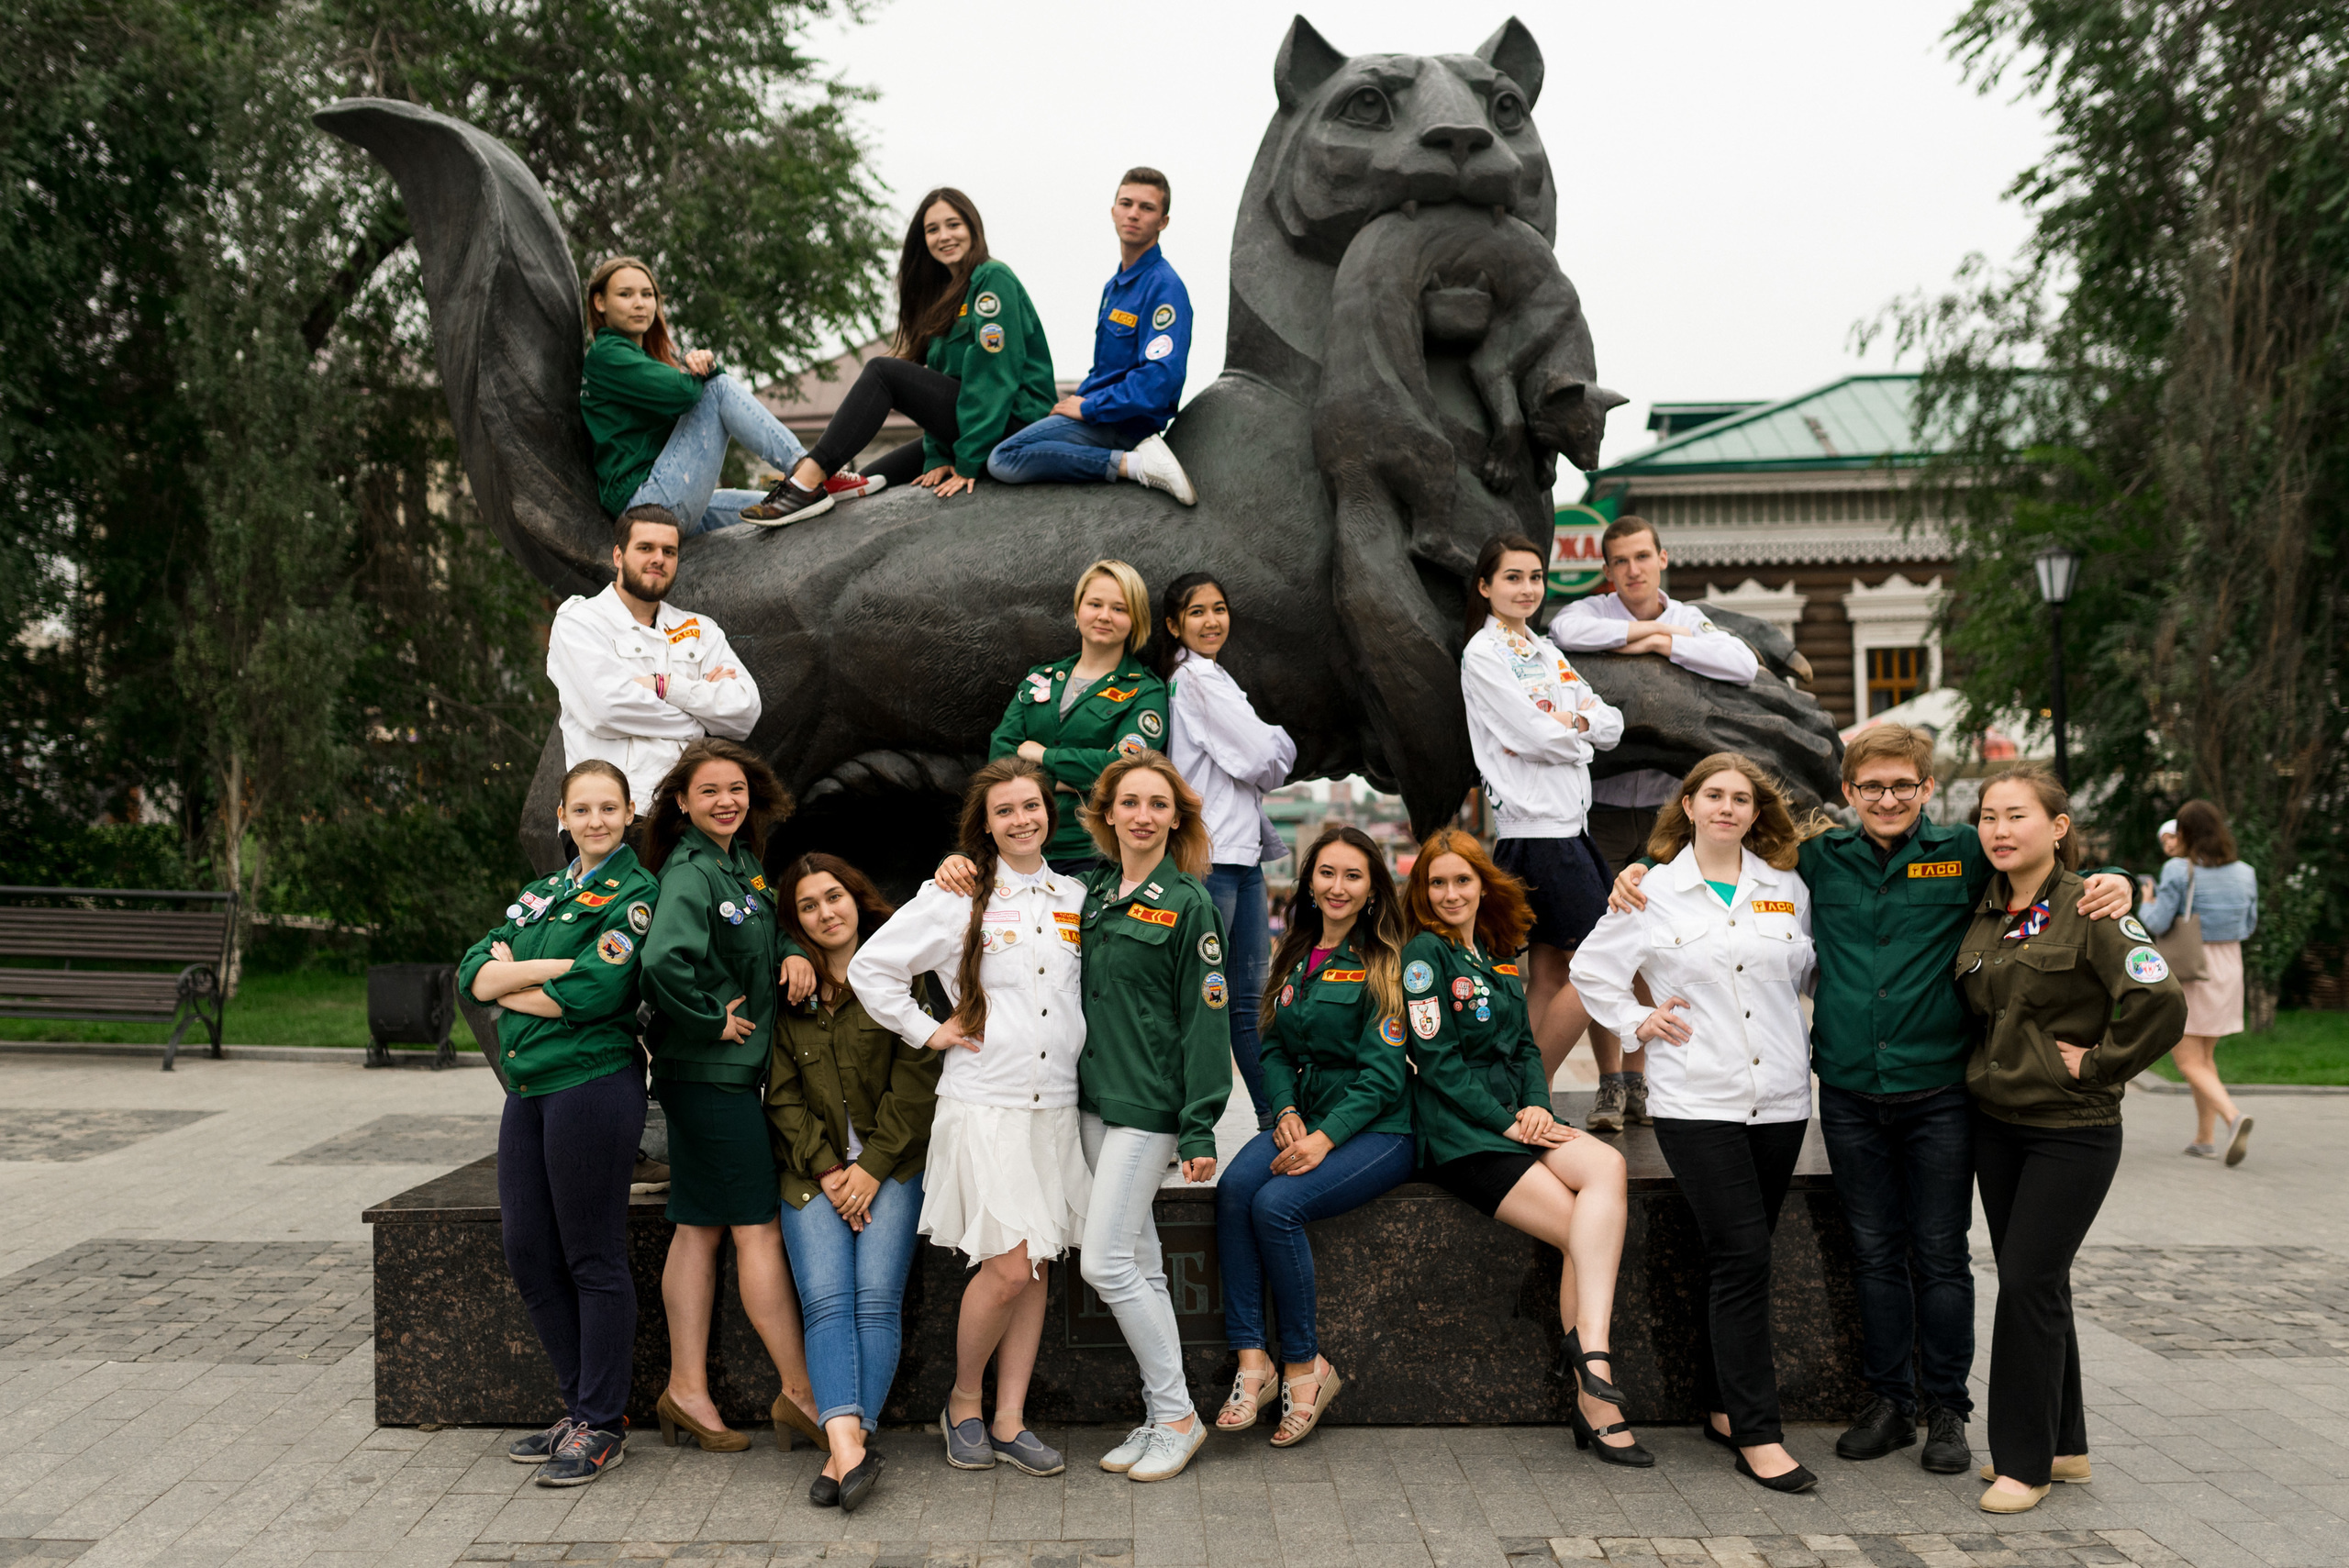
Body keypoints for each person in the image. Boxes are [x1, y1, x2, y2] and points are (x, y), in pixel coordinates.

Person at [1607, 725, 2136, 1477]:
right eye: (1871, 787)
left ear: (1924, 790)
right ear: (1849, 794)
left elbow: (2039, 866)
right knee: (1876, 1254)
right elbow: (1722, 862)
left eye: (1903, 786)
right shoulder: (1816, 861)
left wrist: (2117, 878)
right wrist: (1638, 868)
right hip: (1850, 1091)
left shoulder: (1962, 852)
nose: (1888, 799)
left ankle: (1948, 1407)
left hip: (1940, 1091)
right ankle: (1891, 1400)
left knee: (1941, 1254)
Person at [1572, 755, 1826, 1490]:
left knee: (1738, 1254)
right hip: (1698, 1101)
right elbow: (1593, 971)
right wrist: (1638, 1022)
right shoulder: (1651, 889)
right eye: (1713, 794)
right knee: (1745, 1253)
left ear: (1755, 812)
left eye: (1741, 798)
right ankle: (1758, 1432)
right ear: (1687, 804)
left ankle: (1720, 1404)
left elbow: (1808, 974)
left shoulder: (1786, 888)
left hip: (1779, 1098)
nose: (1727, 807)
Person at [851, 758, 1088, 1481]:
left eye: (1031, 806)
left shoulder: (1075, 895)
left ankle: (1010, 1417)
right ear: (984, 825)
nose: (1022, 819)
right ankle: (962, 1401)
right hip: (987, 1101)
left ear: (1050, 812)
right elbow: (871, 968)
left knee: (1037, 1261)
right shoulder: (957, 894)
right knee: (1009, 1267)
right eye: (1005, 810)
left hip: (1055, 1106)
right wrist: (930, 1030)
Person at [1961, 764, 2186, 1515]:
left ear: (2057, 827)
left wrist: (2101, 1062)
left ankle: (2022, 1465)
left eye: (2016, 815)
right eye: (1988, 815)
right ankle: (2066, 1444)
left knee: (2023, 1282)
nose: (1998, 828)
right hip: (1998, 1127)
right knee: (2041, 1283)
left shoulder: (2093, 905)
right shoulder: (1987, 907)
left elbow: (2158, 998)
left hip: (2071, 1130)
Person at [1401, 828, 1644, 1465]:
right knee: (1580, 1233)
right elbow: (1437, 1061)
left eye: (1462, 879)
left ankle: (1589, 1353)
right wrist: (1508, 1122)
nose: (1451, 892)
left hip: (1515, 1120)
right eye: (1438, 882)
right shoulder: (1424, 956)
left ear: (1484, 882)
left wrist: (1537, 1103)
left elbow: (1524, 1049)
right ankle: (1597, 1399)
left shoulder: (1495, 950)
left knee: (1608, 1164)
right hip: (1463, 1134)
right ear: (1423, 892)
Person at [458, 759, 661, 1487]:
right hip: (531, 1089)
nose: (597, 819)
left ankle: (603, 1422)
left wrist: (517, 980)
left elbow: (600, 989)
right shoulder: (544, 892)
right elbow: (471, 972)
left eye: (610, 807)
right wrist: (547, 971)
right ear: (562, 816)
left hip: (591, 1084)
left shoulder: (636, 892)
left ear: (630, 812)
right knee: (528, 1249)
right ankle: (579, 1405)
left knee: (591, 1255)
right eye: (584, 808)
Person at [637, 738, 824, 1455]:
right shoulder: (690, 871)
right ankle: (801, 1392)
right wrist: (712, 1015)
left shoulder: (740, 864)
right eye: (709, 790)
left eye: (737, 789)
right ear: (681, 801)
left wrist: (795, 952)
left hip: (714, 1080)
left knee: (699, 1226)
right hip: (709, 1077)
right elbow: (662, 961)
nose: (726, 801)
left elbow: (760, 936)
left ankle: (687, 1389)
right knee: (757, 1228)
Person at [1549, 517, 1761, 1131]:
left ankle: (1641, 1082)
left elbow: (1741, 662)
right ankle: (1612, 1080)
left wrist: (1661, 641)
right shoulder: (1590, 613)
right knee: (1604, 943)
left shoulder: (1689, 619)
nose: (1633, 569)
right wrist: (1645, 632)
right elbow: (1567, 629)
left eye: (1643, 557)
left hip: (1671, 810)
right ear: (1608, 570)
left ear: (1662, 558)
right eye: (1620, 561)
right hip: (1607, 809)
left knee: (1652, 948)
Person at [1212, 825, 1413, 1448]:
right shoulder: (1295, 950)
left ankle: (1305, 1365)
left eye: (1353, 875)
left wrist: (1323, 1137)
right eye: (1326, 873)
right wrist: (1284, 1109)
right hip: (1304, 1115)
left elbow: (1383, 1078)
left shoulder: (1384, 959)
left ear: (1373, 887)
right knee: (1234, 1189)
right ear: (1308, 882)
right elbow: (1271, 1044)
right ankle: (1254, 1363)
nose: (1338, 886)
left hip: (1377, 1127)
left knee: (1277, 1205)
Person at [1074, 751, 1231, 1484]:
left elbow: (1206, 1025)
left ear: (1176, 817)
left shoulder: (1190, 903)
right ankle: (1161, 1410)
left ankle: (1176, 1416)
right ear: (1108, 813)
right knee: (1140, 1264)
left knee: (1103, 1260)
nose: (1142, 815)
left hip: (1148, 1110)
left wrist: (1200, 1125)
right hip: (1094, 1102)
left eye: (1157, 804)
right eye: (1129, 802)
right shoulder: (1096, 892)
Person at [767, 853, 941, 1514]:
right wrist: (831, 1169)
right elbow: (781, 1096)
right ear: (797, 921)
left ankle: (845, 1447)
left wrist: (869, 1169)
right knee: (827, 1300)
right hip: (812, 1175)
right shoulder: (790, 990)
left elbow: (918, 1080)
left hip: (893, 1166)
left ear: (858, 898)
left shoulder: (902, 973)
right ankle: (852, 1448)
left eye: (833, 896)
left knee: (874, 1298)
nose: (825, 912)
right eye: (808, 905)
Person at [740, 189, 1053, 524]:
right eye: (933, 230)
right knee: (870, 481)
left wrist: (968, 461)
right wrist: (936, 455)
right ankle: (821, 486)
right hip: (972, 423)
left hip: (1015, 425)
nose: (944, 236)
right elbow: (944, 392)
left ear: (973, 229)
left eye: (953, 225)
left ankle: (806, 480)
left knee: (883, 372)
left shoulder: (992, 279)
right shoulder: (945, 296)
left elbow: (993, 381)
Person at [1460, 532, 1623, 1105]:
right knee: (1602, 963)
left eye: (1535, 577)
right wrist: (1579, 731)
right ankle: (1527, 1093)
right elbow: (1531, 736)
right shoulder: (1483, 655)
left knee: (1552, 973)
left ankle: (1537, 1094)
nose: (1527, 588)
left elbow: (1612, 722)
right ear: (1485, 587)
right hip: (1537, 833)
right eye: (1512, 577)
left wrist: (1575, 729)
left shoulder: (1548, 651)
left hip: (1571, 830)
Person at [1157, 572, 1295, 1126]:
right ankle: (1189, 1125)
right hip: (1210, 858)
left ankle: (1274, 1118)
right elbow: (1266, 757)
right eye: (1196, 613)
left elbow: (1257, 757)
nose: (1212, 621)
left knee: (1246, 1001)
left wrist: (1265, 748)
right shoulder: (1196, 680)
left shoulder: (1213, 676)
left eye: (1219, 608)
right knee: (1209, 999)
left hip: (1239, 857)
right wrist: (1277, 742)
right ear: (1173, 624)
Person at [578, 255, 845, 537]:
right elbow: (686, 393)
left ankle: (814, 485)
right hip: (647, 503)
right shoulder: (607, 354)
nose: (639, 303)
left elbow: (691, 391)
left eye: (648, 294)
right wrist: (703, 370)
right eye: (625, 294)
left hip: (665, 494)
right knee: (717, 391)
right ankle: (806, 468)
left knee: (775, 508)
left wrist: (706, 368)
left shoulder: (642, 358)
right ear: (600, 302)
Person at [985, 169, 1197, 504]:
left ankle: (1136, 465)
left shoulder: (1164, 287)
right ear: (1113, 210)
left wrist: (1090, 407)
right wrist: (1074, 403)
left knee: (1004, 458)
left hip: (1121, 424)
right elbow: (1105, 371)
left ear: (1163, 221)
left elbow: (1160, 380)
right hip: (1100, 415)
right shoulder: (1114, 287)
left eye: (1147, 208)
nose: (1133, 214)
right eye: (1126, 203)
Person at [546, 507, 763, 817]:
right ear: (618, 556)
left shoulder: (701, 630)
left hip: (689, 818)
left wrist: (667, 686)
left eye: (669, 551)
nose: (658, 558)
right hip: (611, 820)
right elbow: (607, 709)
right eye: (645, 548)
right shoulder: (579, 622)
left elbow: (745, 712)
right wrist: (701, 718)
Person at [988, 560, 1170, 875]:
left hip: (1093, 856)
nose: (1103, 616)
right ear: (1077, 611)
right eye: (1094, 604)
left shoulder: (1146, 691)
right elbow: (1000, 754)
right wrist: (1062, 783)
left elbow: (1122, 771)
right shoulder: (1039, 679)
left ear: (1135, 620)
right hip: (1022, 851)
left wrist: (1043, 754)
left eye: (1119, 608)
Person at [2143, 799, 2260, 1164]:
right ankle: (2204, 1137)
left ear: (2187, 834)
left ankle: (2232, 1117)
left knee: (2186, 1058)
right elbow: (2249, 925)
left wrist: (2146, 899)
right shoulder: (2246, 872)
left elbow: (2158, 922)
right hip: (2229, 964)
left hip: (2192, 965)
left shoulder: (2179, 870)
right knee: (2204, 1057)